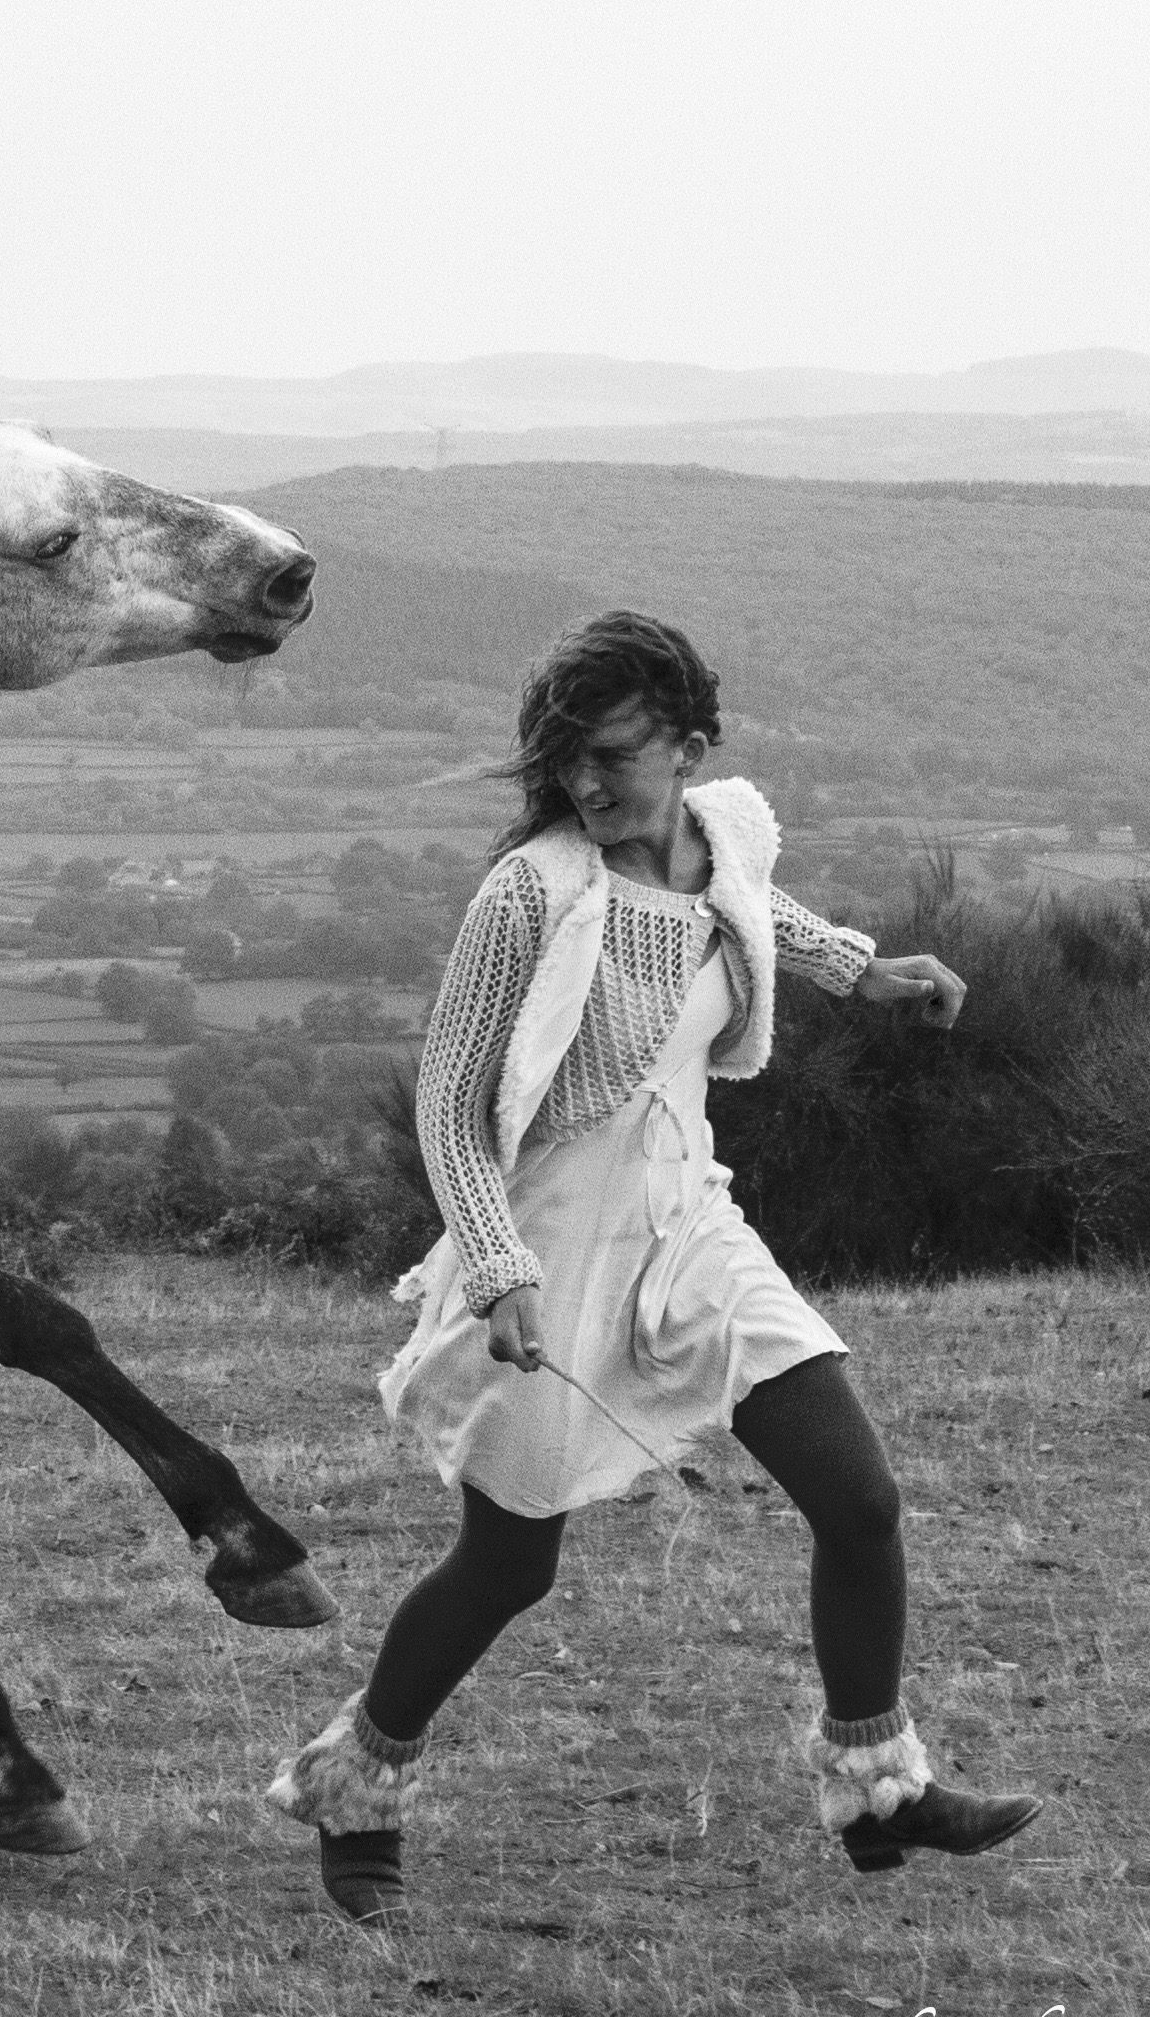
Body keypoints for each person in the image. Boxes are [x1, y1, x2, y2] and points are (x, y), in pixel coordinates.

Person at [263, 611, 1041, 1926]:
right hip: (548, 1254)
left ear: (689, 747)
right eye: (566, 761)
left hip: (692, 1224)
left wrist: (861, 968)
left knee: (858, 1500)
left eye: (612, 757)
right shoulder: (532, 893)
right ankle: (354, 1784)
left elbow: (743, 906)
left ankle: (878, 1786)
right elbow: (451, 1105)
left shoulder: (723, 827)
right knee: (512, 1566)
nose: (583, 785)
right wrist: (499, 1266)